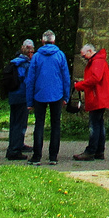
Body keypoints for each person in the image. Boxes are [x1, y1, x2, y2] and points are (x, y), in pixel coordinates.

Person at [25, 30, 71, 165]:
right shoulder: (60, 55)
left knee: (39, 125)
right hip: (57, 94)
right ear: (54, 41)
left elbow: (30, 80)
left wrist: (29, 100)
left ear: (42, 41)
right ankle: (53, 157)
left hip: (39, 94)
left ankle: (37, 156)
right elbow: (65, 77)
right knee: (56, 125)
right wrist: (66, 96)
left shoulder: (37, 57)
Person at [71, 43, 109, 161]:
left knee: (94, 125)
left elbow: (95, 78)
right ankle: (99, 151)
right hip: (100, 97)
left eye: (84, 55)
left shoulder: (97, 61)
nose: (84, 58)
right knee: (99, 124)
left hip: (98, 98)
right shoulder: (98, 61)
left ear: (90, 51)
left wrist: (80, 85)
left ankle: (91, 151)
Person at [5, 39, 35, 160]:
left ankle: (16, 145)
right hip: (22, 96)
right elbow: (27, 81)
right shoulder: (25, 64)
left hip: (13, 95)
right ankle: (14, 150)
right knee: (20, 123)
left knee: (14, 123)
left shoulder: (14, 62)